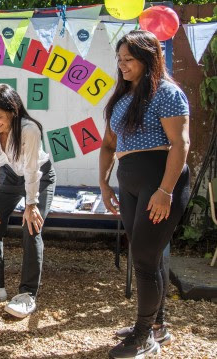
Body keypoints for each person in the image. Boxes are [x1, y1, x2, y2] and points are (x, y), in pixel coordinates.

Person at [100, 30, 190, 359]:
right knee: (147, 256)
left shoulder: (167, 93)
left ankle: (143, 337)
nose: (122, 65)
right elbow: (109, 145)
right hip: (130, 183)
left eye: (129, 59)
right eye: (119, 59)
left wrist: (165, 190)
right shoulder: (122, 98)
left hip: (160, 181)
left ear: (148, 59)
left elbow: (180, 144)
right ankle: (158, 327)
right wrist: (105, 183)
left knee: (143, 257)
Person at [0, 84, 56, 319]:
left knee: (31, 227)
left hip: (39, 177)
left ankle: (27, 295)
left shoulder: (29, 130)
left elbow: (32, 170)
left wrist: (31, 205)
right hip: (11, 176)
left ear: (13, 111)